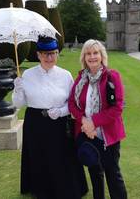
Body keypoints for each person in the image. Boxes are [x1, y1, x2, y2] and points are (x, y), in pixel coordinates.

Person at [12, 36, 88, 199]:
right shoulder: (27, 75)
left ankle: (65, 188)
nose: (50, 57)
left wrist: (60, 111)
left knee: (61, 157)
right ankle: (41, 190)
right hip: (35, 122)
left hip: (59, 123)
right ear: (38, 55)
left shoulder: (65, 75)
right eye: (46, 54)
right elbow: (19, 104)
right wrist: (17, 90)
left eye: (53, 53)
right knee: (38, 156)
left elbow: (73, 104)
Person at [68, 39, 127, 199]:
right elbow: (72, 104)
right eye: (88, 53)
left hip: (108, 136)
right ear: (84, 57)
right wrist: (85, 122)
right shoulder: (81, 78)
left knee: (112, 174)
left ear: (102, 56)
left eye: (95, 53)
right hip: (87, 134)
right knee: (95, 173)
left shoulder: (112, 76)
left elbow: (117, 107)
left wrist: (94, 122)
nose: (92, 56)